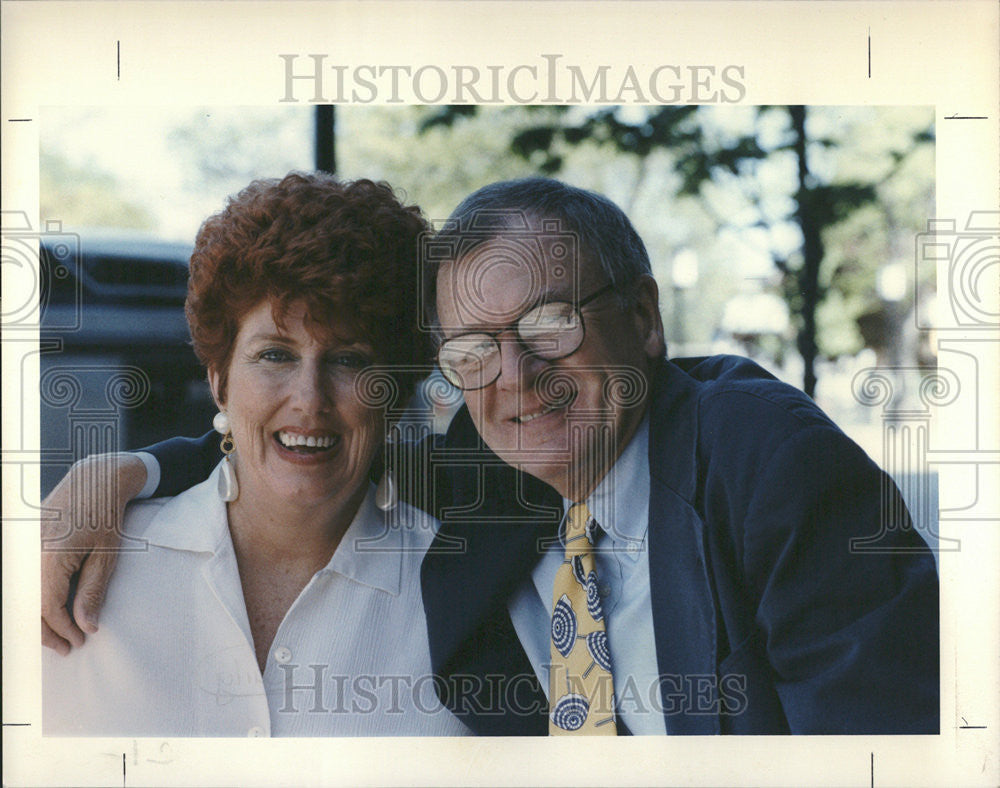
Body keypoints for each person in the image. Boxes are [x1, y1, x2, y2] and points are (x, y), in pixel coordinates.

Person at [42, 178, 939, 736]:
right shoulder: (486, 474)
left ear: (646, 317)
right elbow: (294, 440)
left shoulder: (765, 469)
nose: (516, 375)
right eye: (473, 345)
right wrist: (124, 470)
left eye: (551, 320)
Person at [41, 173, 470, 736]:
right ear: (219, 380)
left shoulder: (467, 588)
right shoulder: (67, 565)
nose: (309, 400)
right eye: (275, 355)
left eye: (350, 360)